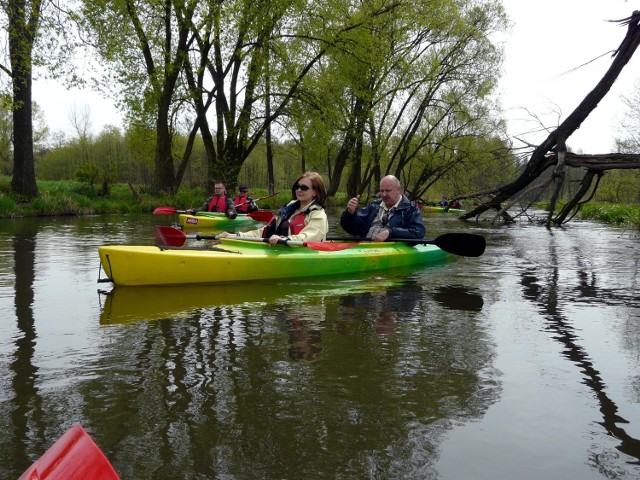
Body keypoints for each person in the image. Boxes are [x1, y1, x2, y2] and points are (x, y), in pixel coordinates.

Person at [219, 171, 328, 245]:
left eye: (304, 188)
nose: (299, 190)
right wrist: (236, 235)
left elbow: (311, 236)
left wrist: (285, 239)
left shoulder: (318, 214)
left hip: (302, 253)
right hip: (280, 248)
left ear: (315, 192)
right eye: (297, 186)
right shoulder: (289, 210)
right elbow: (264, 232)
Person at [340, 175, 425, 241]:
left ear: (398, 190)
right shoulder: (373, 205)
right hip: (364, 246)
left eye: (388, 191)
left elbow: (418, 232)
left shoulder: (411, 208)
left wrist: (390, 232)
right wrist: (350, 214)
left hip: (389, 250)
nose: (384, 194)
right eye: (381, 191)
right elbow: (353, 229)